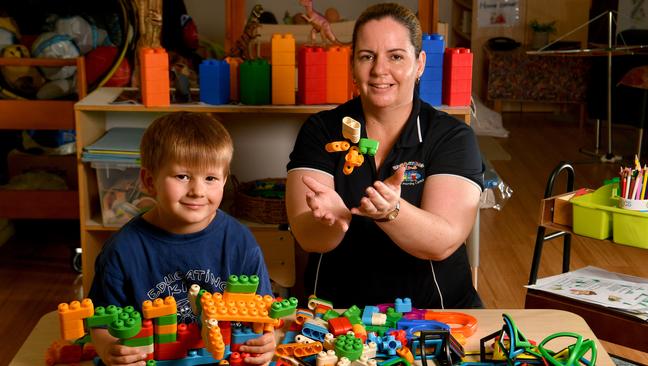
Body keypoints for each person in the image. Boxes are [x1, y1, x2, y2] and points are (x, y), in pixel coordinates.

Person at [286, 3, 483, 310]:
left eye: (396, 56)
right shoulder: (321, 130)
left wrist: (391, 212)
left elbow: (443, 240)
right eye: (367, 56)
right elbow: (308, 237)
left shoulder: (450, 137)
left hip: (436, 314)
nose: (379, 70)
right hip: (337, 314)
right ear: (353, 64)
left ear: (419, 64)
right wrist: (335, 222)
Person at [88, 112, 276, 366]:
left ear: (224, 181)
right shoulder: (122, 250)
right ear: (149, 181)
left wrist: (268, 340)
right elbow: (101, 323)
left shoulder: (240, 242)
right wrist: (109, 348)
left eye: (210, 178)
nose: (198, 191)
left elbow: (264, 315)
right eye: (182, 176)